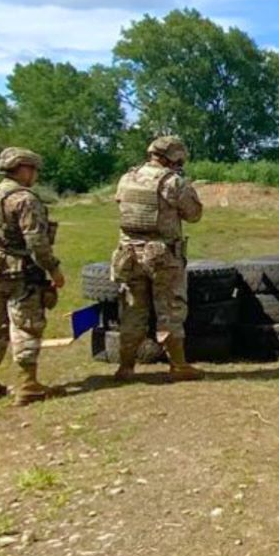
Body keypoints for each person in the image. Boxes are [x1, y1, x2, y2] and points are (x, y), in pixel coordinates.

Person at [0, 146, 65, 406]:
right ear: (22, 169)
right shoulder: (24, 199)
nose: (35, 174)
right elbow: (36, 241)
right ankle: (28, 385)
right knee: (26, 325)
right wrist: (53, 269)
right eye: (32, 169)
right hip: (20, 271)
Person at [111, 134, 206, 382]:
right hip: (162, 255)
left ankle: (125, 367)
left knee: (132, 310)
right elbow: (194, 215)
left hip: (128, 253)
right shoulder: (173, 182)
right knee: (170, 309)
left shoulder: (126, 178)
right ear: (174, 157)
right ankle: (178, 365)